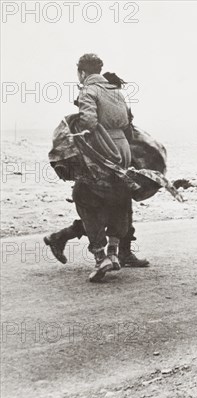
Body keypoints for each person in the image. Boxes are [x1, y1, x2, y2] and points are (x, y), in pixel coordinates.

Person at [44, 71, 149, 268]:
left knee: (108, 204)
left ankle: (65, 238)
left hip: (108, 157)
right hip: (105, 158)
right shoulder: (106, 102)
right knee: (108, 204)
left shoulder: (101, 98)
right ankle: (116, 252)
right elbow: (107, 128)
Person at [72, 53, 132, 282]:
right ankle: (114, 252)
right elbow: (126, 122)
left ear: (83, 73)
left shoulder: (88, 90)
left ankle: (99, 256)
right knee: (118, 197)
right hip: (123, 149)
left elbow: (88, 122)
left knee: (84, 196)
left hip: (103, 150)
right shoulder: (116, 90)